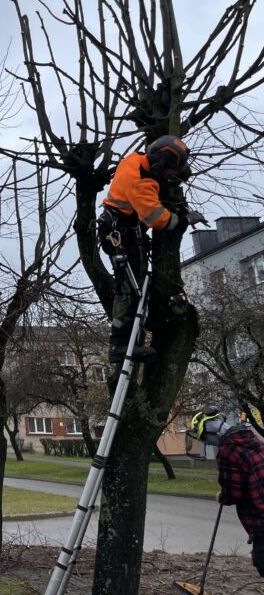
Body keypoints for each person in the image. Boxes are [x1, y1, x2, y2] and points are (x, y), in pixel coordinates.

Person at [97, 135, 203, 364]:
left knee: (139, 281)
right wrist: (184, 219)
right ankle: (120, 344)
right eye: (169, 171)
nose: (169, 176)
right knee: (130, 286)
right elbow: (158, 219)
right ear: (159, 164)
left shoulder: (134, 159)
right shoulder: (141, 182)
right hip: (120, 234)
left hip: (122, 228)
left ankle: (136, 331)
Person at [190, 408, 264, 577]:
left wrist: (223, 496)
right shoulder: (253, 439)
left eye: (204, 438)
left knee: (262, 560)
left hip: (260, 517)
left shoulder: (228, 451)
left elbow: (233, 493)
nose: (207, 443)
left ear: (211, 433)